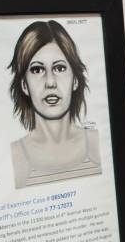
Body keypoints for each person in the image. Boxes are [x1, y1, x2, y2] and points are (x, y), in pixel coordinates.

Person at [8, 20, 102, 189]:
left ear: (75, 80)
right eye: (37, 70)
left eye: (59, 68)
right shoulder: (13, 156)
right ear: (24, 85)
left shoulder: (99, 144)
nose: (50, 82)